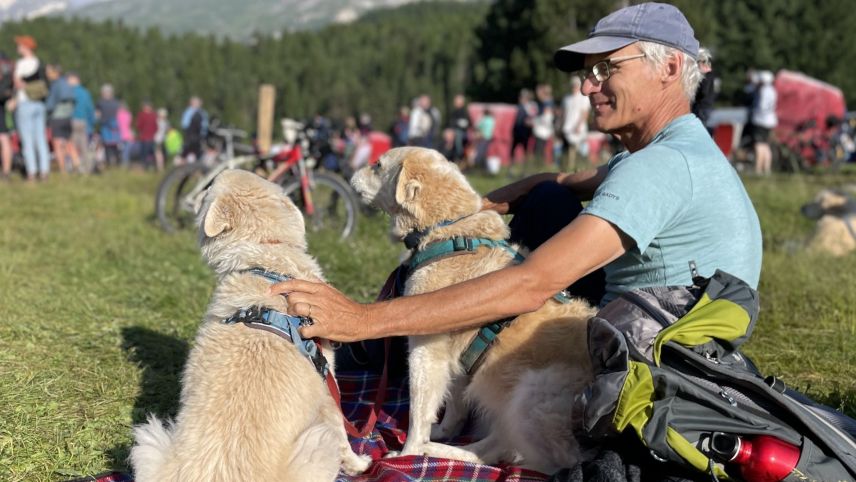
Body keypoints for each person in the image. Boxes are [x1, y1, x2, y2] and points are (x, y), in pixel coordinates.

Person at [270, 3, 762, 353]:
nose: (587, 88)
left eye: (605, 69)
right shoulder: (678, 149)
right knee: (546, 197)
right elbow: (559, 180)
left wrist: (361, 319)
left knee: (511, 270)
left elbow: (531, 285)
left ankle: (374, 344)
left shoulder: (658, 168)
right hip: (683, 333)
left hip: (651, 354)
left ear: (670, 68)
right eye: (587, 73)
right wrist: (470, 211)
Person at [12, 35, 51, 182]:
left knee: (27, 140)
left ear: (25, 47)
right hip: (39, 103)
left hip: (25, 103)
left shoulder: (21, 63)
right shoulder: (39, 63)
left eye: (20, 45)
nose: (18, 48)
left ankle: (32, 172)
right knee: (41, 138)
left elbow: (17, 84)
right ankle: (44, 171)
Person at [45, 64, 80, 174]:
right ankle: (76, 163)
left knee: (57, 144)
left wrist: (44, 110)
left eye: (49, 72)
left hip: (57, 117)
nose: (47, 74)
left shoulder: (55, 85)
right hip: (68, 117)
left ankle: (62, 169)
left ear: (56, 73)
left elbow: (50, 104)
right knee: (68, 141)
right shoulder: (67, 84)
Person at [66, 71, 96, 174]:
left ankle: (72, 167)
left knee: (71, 146)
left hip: (71, 120)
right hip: (83, 121)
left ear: (74, 79)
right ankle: (87, 168)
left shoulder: (69, 91)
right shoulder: (85, 92)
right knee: (84, 146)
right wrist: (91, 124)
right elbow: (90, 109)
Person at [560, 76, 590, 170]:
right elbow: (564, 114)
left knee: (578, 150)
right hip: (567, 128)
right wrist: (561, 125)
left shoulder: (583, 98)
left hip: (578, 129)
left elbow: (585, 113)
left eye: (576, 85)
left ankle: (579, 167)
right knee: (568, 150)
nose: (574, 87)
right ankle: (569, 167)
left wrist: (579, 126)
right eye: (573, 85)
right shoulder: (566, 98)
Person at [752, 70, 777, 176]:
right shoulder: (772, 90)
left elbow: (761, 106)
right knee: (766, 145)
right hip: (770, 121)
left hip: (761, 120)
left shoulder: (763, 90)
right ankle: (767, 169)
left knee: (759, 145)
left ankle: (758, 169)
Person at [509, 88, 537, 177]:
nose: (520, 99)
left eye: (523, 97)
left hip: (524, 133)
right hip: (517, 133)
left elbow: (531, 120)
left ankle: (524, 171)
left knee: (525, 153)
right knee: (513, 152)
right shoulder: (519, 107)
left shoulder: (529, 107)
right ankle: (512, 170)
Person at [691, 47, 717, 134]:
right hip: (707, 106)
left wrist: (695, 96)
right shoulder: (711, 75)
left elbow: (703, 91)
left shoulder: (706, 76)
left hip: (702, 106)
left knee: (700, 130)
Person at [96, 83, 121, 167]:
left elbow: (97, 115)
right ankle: (117, 162)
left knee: (107, 146)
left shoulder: (100, 103)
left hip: (105, 126)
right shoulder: (116, 103)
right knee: (115, 145)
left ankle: (109, 163)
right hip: (115, 127)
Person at [180, 95, 208, 163]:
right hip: (191, 136)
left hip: (200, 136)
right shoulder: (188, 112)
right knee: (187, 152)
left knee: (199, 153)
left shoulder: (202, 112)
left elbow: (205, 125)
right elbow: (185, 125)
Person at [0, 51, 14, 180]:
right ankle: (6, 171)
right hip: (3, 109)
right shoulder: (9, 73)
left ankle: (6, 171)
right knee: (4, 139)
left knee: (4, 139)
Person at [447, 94, 471, 162]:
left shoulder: (464, 112)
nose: (455, 103)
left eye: (456, 101)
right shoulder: (454, 112)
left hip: (461, 133)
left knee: (457, 136)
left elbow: (466, 124)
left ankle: (459, 155)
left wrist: (455, 125)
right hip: (454, 132)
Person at [135, 101, 158, 170]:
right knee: (150, 152)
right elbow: (156, 127)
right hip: (150, 137)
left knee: (145, 152)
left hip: (145, 136)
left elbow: (139, 125)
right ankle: (151, 165)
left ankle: (146, 165)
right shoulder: (153, 115)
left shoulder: (142, 115)